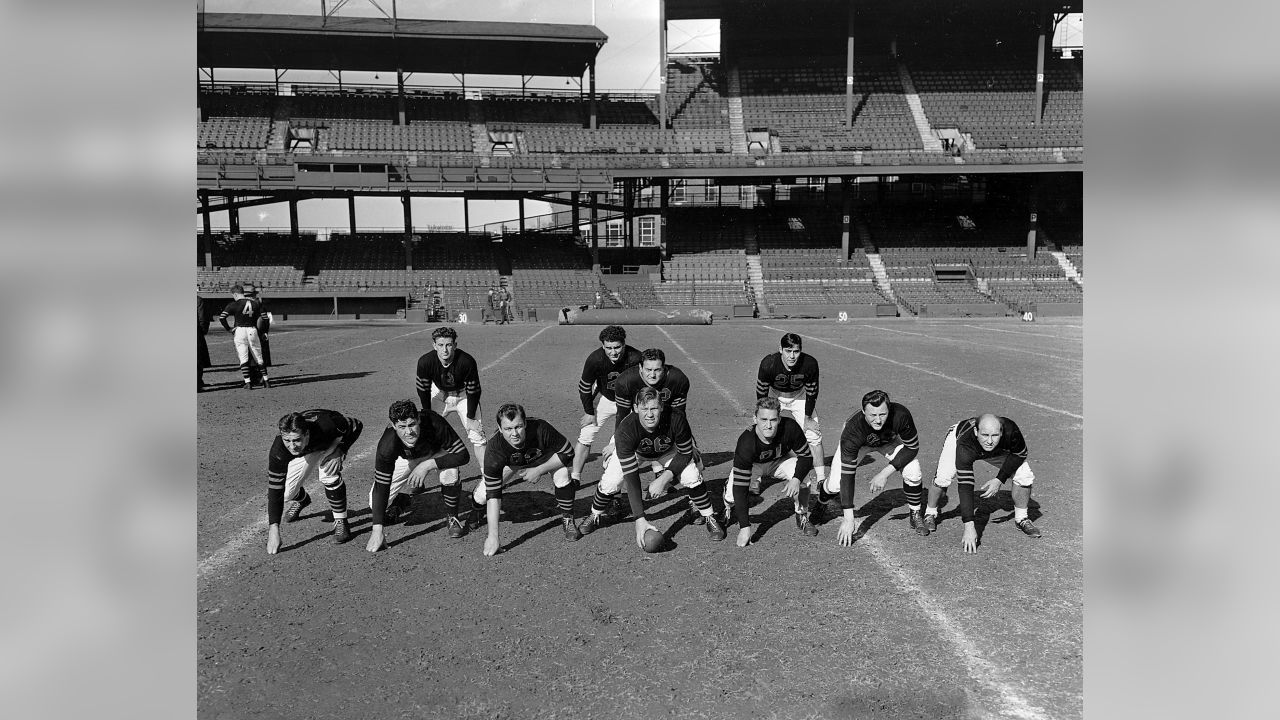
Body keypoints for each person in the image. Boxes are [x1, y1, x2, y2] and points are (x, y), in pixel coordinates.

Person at [579, 387, 725, 547]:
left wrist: (663, 480)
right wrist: (640, 519)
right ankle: (595, 514)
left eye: (654, 408)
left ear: (661, 407)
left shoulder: (676, 417)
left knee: (691, 475)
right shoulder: (626, 429)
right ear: (635, 409)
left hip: (668, 450)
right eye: (644, 409)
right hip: (637, 452)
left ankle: (709, 516)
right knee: (611, 482)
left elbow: (685, 453)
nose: (649, 414)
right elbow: (631, 476)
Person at [815, 390, 924, 547]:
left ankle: (915, 513)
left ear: (890, 409)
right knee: (835, 484)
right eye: (872, 415)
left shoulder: (901, 415)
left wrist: (884, 473)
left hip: (887, 442)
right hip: (861, 444)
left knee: (913, 470)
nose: (878, 420)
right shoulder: (853, 430)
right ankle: (822, 500)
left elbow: (912, 448)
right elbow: (848, 474)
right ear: (863, 411)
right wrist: (849, 518)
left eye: (883, 414)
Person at [471, 404, 581, 555]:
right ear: (499, 427)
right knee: (482, 496)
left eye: (518, 426)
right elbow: (494, 494)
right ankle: (476, 513)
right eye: (508, 429)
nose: (514, 433)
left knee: (562, 474)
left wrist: (539, 470)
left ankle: (568, 519)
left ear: (525, 423)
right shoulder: (494, 448)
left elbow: (568, 453)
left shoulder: (541, 428)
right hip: (511, 464)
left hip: (542, 458)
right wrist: (493, 536)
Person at [365, 399, 471, 553]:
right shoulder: (387, 445)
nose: (408, 432)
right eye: (402, 427)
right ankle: (400, 501)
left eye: (412, 424)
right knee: (374, 504)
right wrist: (377, 530)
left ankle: (453, 517)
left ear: (419, 420)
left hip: (436, 453)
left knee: (450, 473)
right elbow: (382, 485)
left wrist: (427, 465)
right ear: (393, 426)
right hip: (408, 459)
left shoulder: (434, 422)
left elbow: (463, 455)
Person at [925, 414, 1041, 553]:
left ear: (1002, 432)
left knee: (1024, 474)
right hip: (962, 440)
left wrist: (999, 479)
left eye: (995, 435)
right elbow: (965, 485)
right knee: (943, 478)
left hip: (997, 450)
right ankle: (930, 513)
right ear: (976, 432)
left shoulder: (1011, 430)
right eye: (985, 435)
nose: (990, 441)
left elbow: (1019, 454)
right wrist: (969, 526)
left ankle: (1021, 518)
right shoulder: (965, 444)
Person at [721, 397, 817, 547]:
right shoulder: (746, 442)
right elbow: (740, 488)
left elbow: (806, 457)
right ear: (755, 419)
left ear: (779, 418)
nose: (768, 425)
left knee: (804, 477)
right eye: (763, 419)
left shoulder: (790, 427)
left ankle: (801, 514)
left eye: (773, 420)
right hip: (754, 465)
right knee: (733, 495)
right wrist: (745, 527)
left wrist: (796, 479)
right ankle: (727, 505)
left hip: (780, 461)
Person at [266, 409, 364, 553]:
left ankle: (341, 521)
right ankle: (302, 500)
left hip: (329, 440)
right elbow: (275, 488)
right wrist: (273, 530)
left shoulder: (328, 425)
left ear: (306, 434)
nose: (292, 446)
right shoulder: (279, 449)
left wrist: (341, 449)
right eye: (287, 440)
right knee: (286, 494)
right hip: (309, 448)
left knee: (327, 472)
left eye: (296, 440)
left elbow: (356, 425)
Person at [608, 347, 694, 501]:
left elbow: (679, 415)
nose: (652, 374)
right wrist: (615, 441)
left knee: (695, 462)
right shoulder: (626, 381)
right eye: (648, 369)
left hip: (666, 426)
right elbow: (622, 414)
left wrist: (688, 442)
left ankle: (695, 502)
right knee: (611, 462)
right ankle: (615, 499)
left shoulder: (678, 379)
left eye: (657, 370)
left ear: (664, 368)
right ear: (640, 367)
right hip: (634, 425)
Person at [570, 325, 644, 487]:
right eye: (608, 348)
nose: (613, 352)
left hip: (630, 402)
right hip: (605, 398)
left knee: (644, 430)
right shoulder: (595, 359)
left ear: (624, 345)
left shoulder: (636, 358)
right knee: (586, 434)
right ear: (603, 346)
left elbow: (646, 386)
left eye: (617, 347)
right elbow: (584, 386)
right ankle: (575, 476)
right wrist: (589, 412)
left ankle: (658, 466)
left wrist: (640, 408)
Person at [755, 333, 826, 493]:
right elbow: (761, 392)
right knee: (762, 431)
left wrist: (808, 418)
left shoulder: (809, 363)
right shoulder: (769, 363)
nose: (792, 356)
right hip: (774, 394)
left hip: (799, 396)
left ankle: (821, 479)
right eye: (788, 351)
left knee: (813, 434)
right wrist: (762, 415)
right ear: (780, 349)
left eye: (796, 351)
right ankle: (755, 477)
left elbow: (813, 392)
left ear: (801, 351)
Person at [415, 326, 487, 475]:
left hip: (463, 396)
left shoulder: (466, 361)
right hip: (440, 396)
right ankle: (419, 475)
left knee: (477, 436)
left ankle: (488, 476)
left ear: (455, 345)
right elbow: (423, 389)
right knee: (426, 433)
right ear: (434, 345)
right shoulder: (425, 362)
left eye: (448, 345)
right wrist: (428, 414)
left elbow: (473, 390)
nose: (445, 350)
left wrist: (471, 417)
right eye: (440, 345)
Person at [217, 284, 269, 390]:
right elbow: (265, 318)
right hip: (252, 330)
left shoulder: (233, 304)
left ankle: (248, 382)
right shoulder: (256, 303)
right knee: (259, 357)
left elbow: (222, 317)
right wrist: (264, 331)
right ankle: (266, 381)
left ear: (235, 294)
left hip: (240, 330)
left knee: (243, 357)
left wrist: (229, 328)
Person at [243, 282, 272, 369]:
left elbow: (264, 320)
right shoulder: (256, 304)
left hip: (254, 332)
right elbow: (265, 319)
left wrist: (264, 332)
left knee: (256, 356)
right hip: (253, 332)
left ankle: (259, 378)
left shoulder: (256, 305)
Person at [197, 296, 211, 391]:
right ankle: (197, 383)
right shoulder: (198, 300)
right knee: (197, 359)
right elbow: (203, 317)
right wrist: (202, 331)